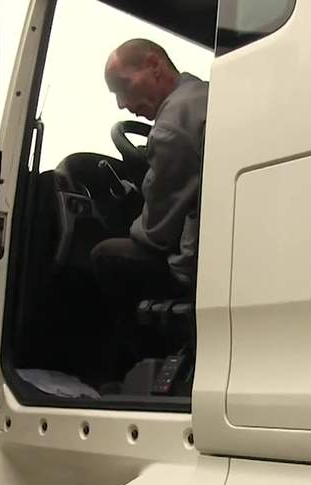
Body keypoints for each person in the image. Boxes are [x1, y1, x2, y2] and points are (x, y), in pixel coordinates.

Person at [91, 38, 209, 303]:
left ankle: (129, 331)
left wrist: (131, 222)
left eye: (123, 86)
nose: (121, 104)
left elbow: (157, 234)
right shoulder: (204, 94)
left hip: (192, 270)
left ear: (154, 65)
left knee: (104, 255)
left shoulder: (170, 129)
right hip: (217, 244)